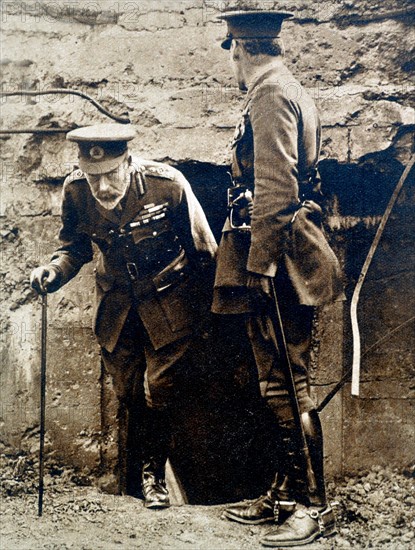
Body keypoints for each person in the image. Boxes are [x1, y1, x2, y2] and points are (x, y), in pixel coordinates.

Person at [31, 123, 217, 509]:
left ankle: (153, 477)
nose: (101, 187)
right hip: (117, 307)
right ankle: (144, 471)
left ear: (128, 162)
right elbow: (74, 247)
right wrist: (55, 271)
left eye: (109, 175)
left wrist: (208, 314)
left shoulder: (168, 184)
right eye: (92, 176)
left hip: (169, 304)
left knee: (160, 387)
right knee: (130, 391)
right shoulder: (76, 192)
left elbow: (205, 250)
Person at [212, 10, 344, 547]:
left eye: (232, 52)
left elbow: (276, 190)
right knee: (278, 382)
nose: (233, 62)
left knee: (289, 384)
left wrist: (260, 268)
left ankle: (314, 507)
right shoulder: (289, 89)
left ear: (241, 47)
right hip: (282, 256)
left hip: (281, 262)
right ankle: (284, 494)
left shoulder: (269, 95)